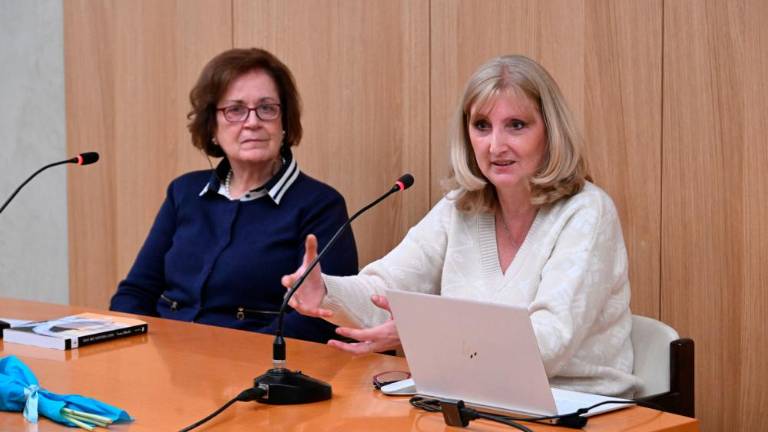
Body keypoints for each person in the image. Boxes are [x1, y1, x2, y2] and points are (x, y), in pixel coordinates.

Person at [283, 54, 639, 396]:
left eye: (516, 125)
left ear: (551, 130)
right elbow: (384, 291)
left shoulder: (587, 212)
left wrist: (422, 334)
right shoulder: (461, 207)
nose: (496, 146)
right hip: (477, 399)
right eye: (482, 126)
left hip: (581, 407)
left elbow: (547, 345)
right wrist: (325, 290)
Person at [110, 48, 358, 343]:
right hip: (164, 357)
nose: (252, 122)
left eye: (267, 108)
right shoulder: (184, 192)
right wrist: (132, 349)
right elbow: (136, 292)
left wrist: (225, 358)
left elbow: (319, 320)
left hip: (257, 365)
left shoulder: (320, 205)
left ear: (284, 123)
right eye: (235, 110)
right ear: (212, 127)